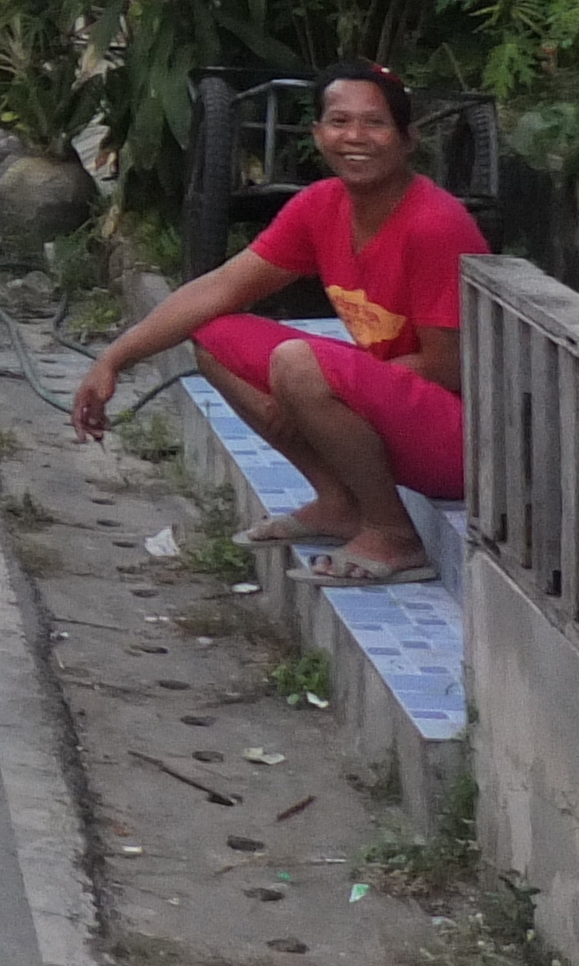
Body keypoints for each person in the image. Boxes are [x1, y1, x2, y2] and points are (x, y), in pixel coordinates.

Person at [73, 66, 481, 587]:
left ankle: (395, 535)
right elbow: (218, 288)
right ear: (317, 135)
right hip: (392, 403)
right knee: (217, 337)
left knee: (298, 365)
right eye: (339, 121)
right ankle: (338, 503)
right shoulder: (320, 206)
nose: (354, 137)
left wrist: (328, 389)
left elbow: (449, 367)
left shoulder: (434, 223)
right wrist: (113, 359)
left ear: (408, 139)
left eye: (374, 123)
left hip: (462, 439)